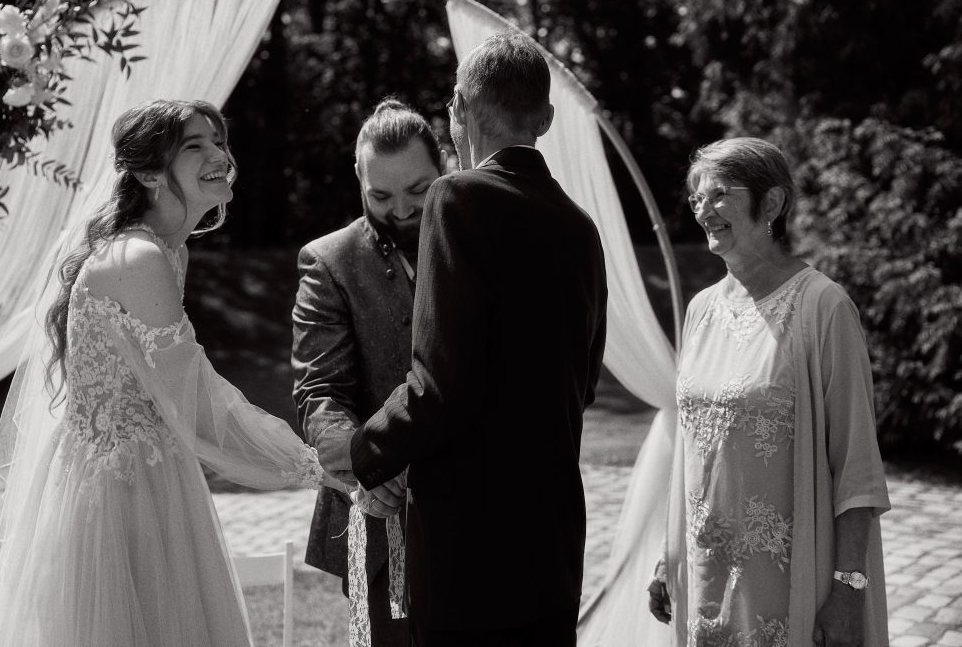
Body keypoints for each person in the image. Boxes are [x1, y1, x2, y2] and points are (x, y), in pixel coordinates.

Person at [0, 99, 344, 646]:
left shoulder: (168, 252)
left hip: (154, 474)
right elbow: (196, 398)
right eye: (195, 145)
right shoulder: (139, 258)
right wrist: (312, 466)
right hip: (118, 495)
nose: (219, 153)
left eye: (218, 140)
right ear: (148, 173)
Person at [349, 32, 609, 646]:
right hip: (551, 541)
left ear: (457, 110)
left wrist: (366, 451)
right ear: (545, 118)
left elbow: (441, 385)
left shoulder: (456, 198)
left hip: (469, 547)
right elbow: (586, 382)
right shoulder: (580, 229)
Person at [648, 137, 890, 647]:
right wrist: (667, 557)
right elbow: (689, 450)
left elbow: (857, 466)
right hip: (705, 576)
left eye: (718, 195)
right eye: (695, 198)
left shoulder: (824, 308)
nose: (702, 210)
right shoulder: (700, 311)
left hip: (787, 588)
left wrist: (849, 590)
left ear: (773, 203)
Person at [292, 97, 444, 646]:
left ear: (445, 166)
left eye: (418, 190)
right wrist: (369, 466)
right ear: (358, 177)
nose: (402, 210)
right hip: (378, 522)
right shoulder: (329, 261)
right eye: (381, 195)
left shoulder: (475, 246)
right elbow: (320, 393)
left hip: (475, 511)